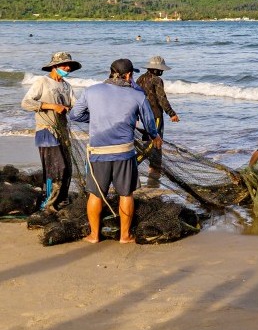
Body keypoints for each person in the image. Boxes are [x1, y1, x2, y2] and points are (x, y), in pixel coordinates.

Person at [70, 59, 161, 244]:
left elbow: (75, 115)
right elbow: (149, 122)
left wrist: (97, 119)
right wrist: (155, 136)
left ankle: (94, 236)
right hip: (124, 153)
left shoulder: (91, 91)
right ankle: (125, 236)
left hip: (97, 152)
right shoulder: (137, 95)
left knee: (95, 194)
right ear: (128, 75)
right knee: (126, 194)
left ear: (111, 72)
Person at [21, 52, 80, 212]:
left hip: (63, 132)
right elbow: (26, 103)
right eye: (64, 65)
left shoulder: (66, 85)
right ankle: (48, 204)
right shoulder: (43, 81)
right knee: (56, 168)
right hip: (46, 131)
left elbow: (75, 105)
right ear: (54, 66)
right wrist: (52, 106)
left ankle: (61, 201)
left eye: (69, 66)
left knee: (67, 168)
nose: (67, 68)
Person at [135, 56, 180, 185]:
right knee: (154, 144)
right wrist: (172, 113)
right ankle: (135, 165)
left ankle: (153, 172)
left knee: (148, 143)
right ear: (156, 70)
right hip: (155, 116)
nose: (162, 72)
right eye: (161, 70)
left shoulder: (140, 78)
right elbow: (162, 99)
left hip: (142, 117)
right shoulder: (157, 80)